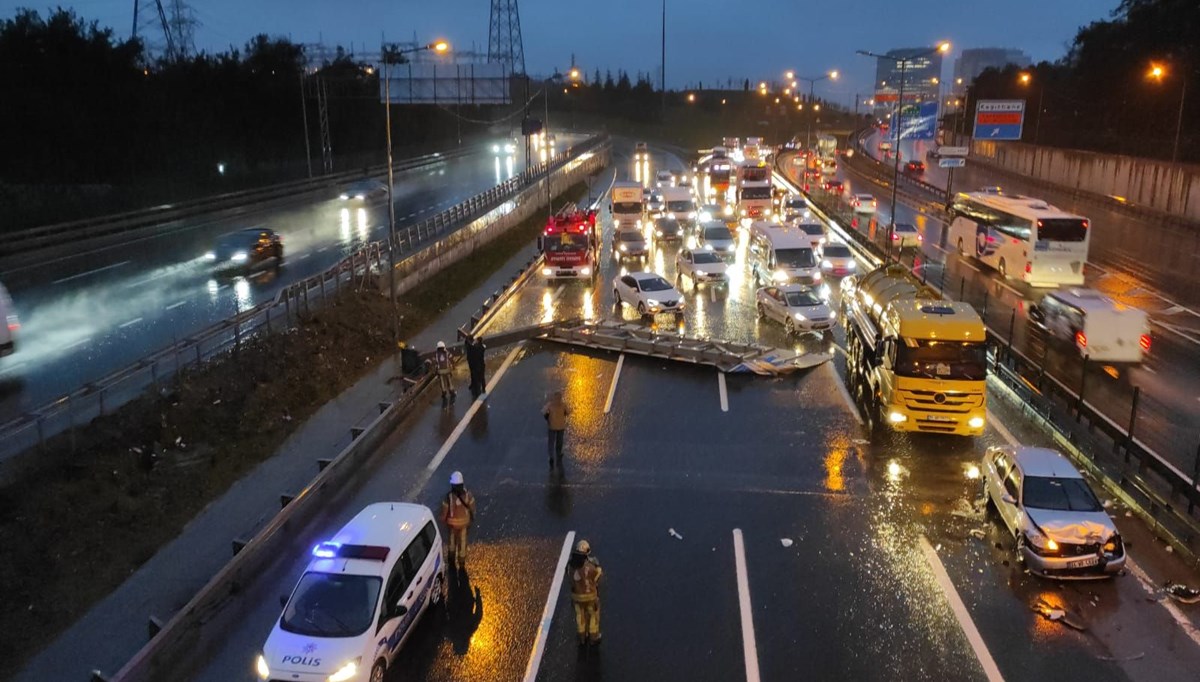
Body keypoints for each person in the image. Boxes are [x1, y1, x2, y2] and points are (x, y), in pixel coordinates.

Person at [567, 539, 603, 645]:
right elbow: (598, 576)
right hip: (590, 596)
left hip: (577, 596)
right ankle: (593, 636)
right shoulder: (591, 566)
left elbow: (569, 579)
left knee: (580, 615)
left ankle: (582, 636)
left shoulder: (570, 566)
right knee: (593, 615)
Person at [440, 471, 476, 569]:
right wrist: (472, 517)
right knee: (463, 543)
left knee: (452, 543)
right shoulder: (468, 495)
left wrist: (442, 520)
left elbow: (444, 511)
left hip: (452, 526)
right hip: (464, 523)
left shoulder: (449, 497)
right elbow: (472, 507)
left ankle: (451, 560)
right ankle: (461, 562)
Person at [543, 390, 569, 469]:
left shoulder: (550, 405)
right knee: (559, 441)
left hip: (552, 426)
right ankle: (559, 453)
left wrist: (547, 417)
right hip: (561, 426)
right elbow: (567, 412)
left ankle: (551, 456)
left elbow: (544, 412)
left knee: (551, 442)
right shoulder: (563, 405)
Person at [433, 341, 455, 406]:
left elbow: (435, 363)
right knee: (449, 381)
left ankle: (444, 392)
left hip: (440, 371)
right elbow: (451, 357)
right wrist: (452, 365)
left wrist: (436, 371)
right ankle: (451, 391)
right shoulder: (446, 352)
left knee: (442, 382)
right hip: (447, 369)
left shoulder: (436, 354)